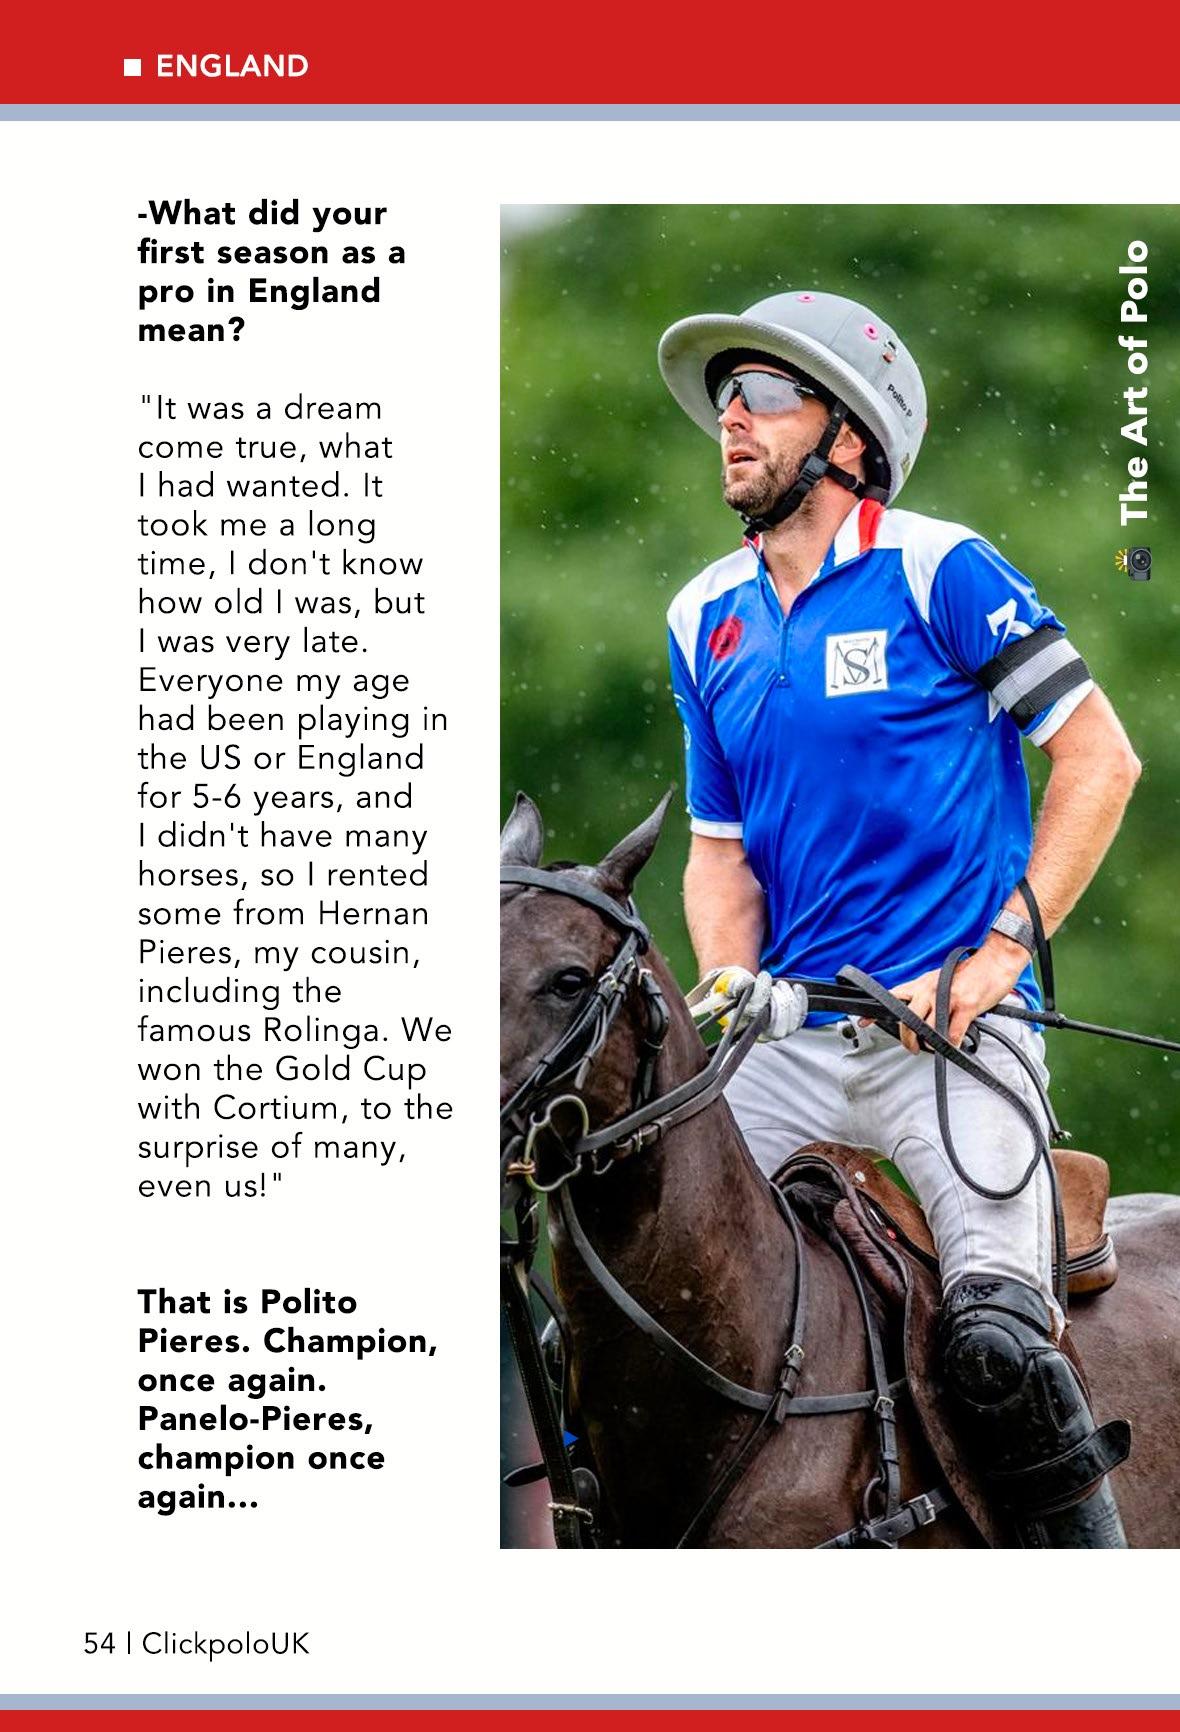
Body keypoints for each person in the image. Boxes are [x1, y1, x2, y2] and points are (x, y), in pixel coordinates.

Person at [658, 289, 1141, 1547]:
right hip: (781, 1051)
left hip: (953, 1042)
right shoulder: (701, 614)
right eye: (725, 397)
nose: (731, 418)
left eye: (766, 393)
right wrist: (728, 979)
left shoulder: (940, 568)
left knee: (1000, 1353)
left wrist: (994, 957)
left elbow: (1100, 759)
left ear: (850, 436)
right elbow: (719, 852)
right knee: (637, 1283)